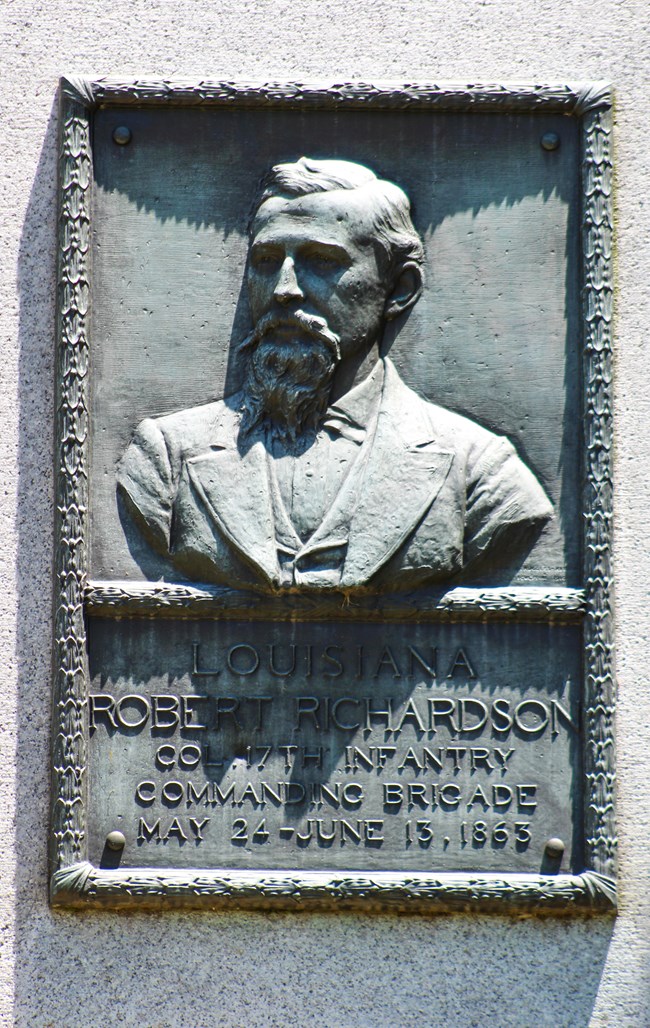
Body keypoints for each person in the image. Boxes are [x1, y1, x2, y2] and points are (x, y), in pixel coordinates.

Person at [117, 156, 552, 594]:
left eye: (321, 261)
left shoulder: (480, 472)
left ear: (399, 288)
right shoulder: (166, 459)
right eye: (267, 260)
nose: (285, 289)